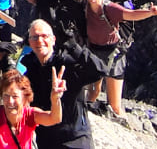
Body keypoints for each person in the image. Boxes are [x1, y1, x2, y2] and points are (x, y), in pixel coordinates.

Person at [81, 0, 157, 116]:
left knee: (115, 105)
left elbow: (131, 14)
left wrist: (150, 12)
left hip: (114, 55)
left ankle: (120, 122)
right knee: (93, 93)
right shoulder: (83, 7)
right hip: (94, 53)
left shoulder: (110, 8)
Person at [18, 19, 106, 148]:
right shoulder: (30, 71)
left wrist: (74, 47)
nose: (40, 40)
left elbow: (99, 70)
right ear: (30, 42)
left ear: (53, 40)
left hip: (75, 139)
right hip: (47, 139)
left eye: (44, 36)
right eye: (35, 37)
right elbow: (16, 97)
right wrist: (5, 64)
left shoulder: (67, 64)